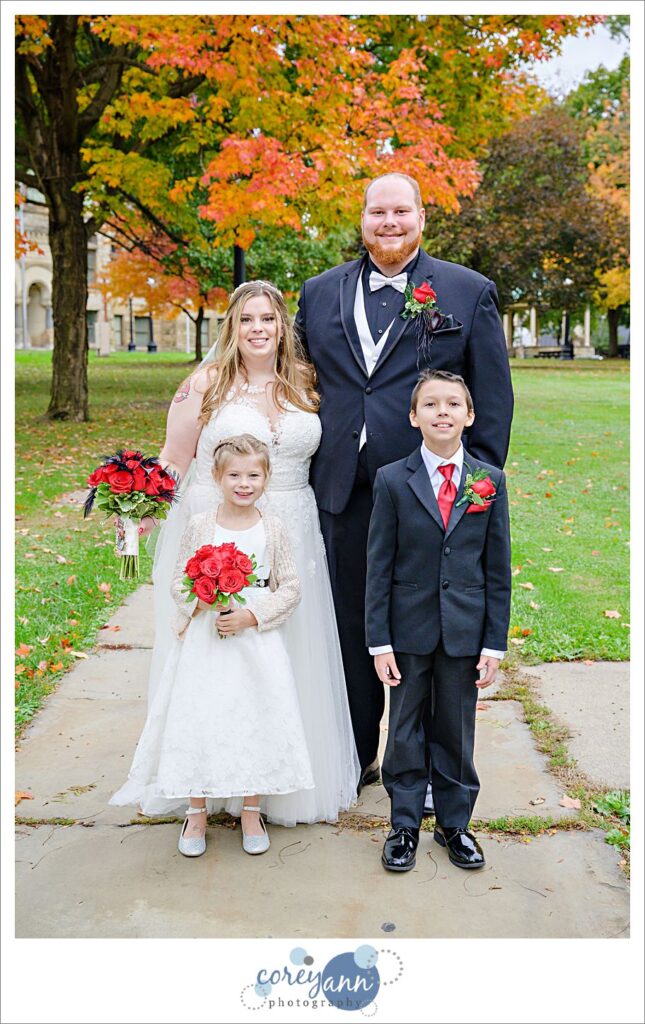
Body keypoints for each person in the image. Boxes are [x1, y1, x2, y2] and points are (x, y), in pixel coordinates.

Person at [295, 171, 514, 807]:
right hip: (338, 488)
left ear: (421, 216)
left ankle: (425, 769)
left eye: (400, 212)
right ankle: (356, 752)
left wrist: (475, 492)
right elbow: (298, 375)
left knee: (428, 631)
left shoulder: (466, 292)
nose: (388, 224)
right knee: (350, 623)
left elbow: (492, 400)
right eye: (376, 213)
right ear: (361, 219)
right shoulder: (319, 292)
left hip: (428, 496)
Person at [137, 281, 360, 827]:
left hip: (296, 529)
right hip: (225, 532)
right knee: (224, 658)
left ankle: (281, 783)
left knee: (290, 654)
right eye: (247, 320)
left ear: (283, 326)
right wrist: (140, 506)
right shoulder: (206, 384)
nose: (258, 329)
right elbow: (174, 455)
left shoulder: (304, 382)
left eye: (268, 319)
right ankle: (211, 780)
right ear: (231, 328)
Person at [111, 436, 314, 857]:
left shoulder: (272, 528)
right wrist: (200, 599)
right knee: (202, 716)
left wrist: (253, 615)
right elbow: (176, 580)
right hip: (206, 639)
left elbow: (290, 585)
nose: (244, 483)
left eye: (253, 475)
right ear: (218, 478)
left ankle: (252, 808)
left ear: (266, 478)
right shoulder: (202, 524)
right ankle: (197, 809)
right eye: (235, 475)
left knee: (256, 714)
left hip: (255, 640)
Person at [365, 370, 511, 872]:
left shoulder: (489, 481)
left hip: (465, 632)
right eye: (431, 404)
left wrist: (494, 645)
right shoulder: (391, 479)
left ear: (470, 415)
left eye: (453, 404)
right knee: (404, 728)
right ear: (413, 417)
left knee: (455, 728)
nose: (442, 411)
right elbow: (378, 566)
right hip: (407, 630)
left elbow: (497, 569)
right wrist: (379, 641)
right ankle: (404, 825)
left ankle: (455, 824)